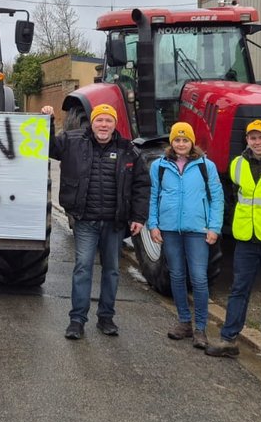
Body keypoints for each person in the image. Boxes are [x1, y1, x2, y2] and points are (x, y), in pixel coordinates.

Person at [48, 104, 149, 339]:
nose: (103, 125)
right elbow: (49, 147)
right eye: (99, 120)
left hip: (114, 223)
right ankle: (77, 320)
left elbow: (141, 185)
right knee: (83, 268)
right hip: (86, 221)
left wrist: (138, 217)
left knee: (112, 271)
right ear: (92, 123)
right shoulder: (73, 142)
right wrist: (49, 122)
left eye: (108, 121)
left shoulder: (128, 150)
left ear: (115, 125)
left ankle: (106, 317)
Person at [205, 120, 261, 359]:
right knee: (239, 289)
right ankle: (228, 339)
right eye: (253, 138)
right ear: (247, 140)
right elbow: (237, 196)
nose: (257, 142)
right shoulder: (237, 164)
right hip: (247, 238)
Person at [147, 122, 224, 350]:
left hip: (197, 230)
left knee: (199, 278)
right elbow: (154, 196)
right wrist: (153, 225)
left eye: (185, 140)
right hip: (170, 229)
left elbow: (217, 198)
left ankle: (200, 327)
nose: (181, 144)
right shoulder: (159, 166)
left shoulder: (205, 166)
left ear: (192, 143)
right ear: (172, 142)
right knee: (177, 275)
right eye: (177, 140)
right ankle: (183, 322)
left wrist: (214, 228)